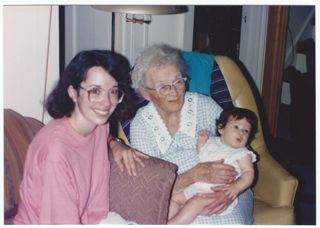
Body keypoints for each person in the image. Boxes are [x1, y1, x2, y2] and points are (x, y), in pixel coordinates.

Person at [13, 50, 147, 224]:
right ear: (73, 92)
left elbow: (100, 138)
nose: (106, 102)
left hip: (92, 219)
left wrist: (116, 144)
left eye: (113, 91)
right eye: (95, 91)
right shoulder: (56, 152)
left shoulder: (99, 123)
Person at [130, 43, 254, 224]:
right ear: (145, 93)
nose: (174, 92)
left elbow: (239, 142)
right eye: (163, 87)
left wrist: (233, 188)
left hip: (226, 188)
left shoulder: (204, 105)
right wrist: (194, 175)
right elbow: (150, 185)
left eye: (178, 81)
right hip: (174, 193)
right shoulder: (141, 125)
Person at [167, 107, 258, 224]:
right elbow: (202, 154)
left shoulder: (242, 153)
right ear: (221, 128)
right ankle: (163, 221)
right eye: (236, 127)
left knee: (193, 204)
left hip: (216, 194)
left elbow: (248, 173)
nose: (241, 132)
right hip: (197, 187)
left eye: (246, 131)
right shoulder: (213, 142)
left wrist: (237, 187)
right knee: (174, 197)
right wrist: (201, 142)